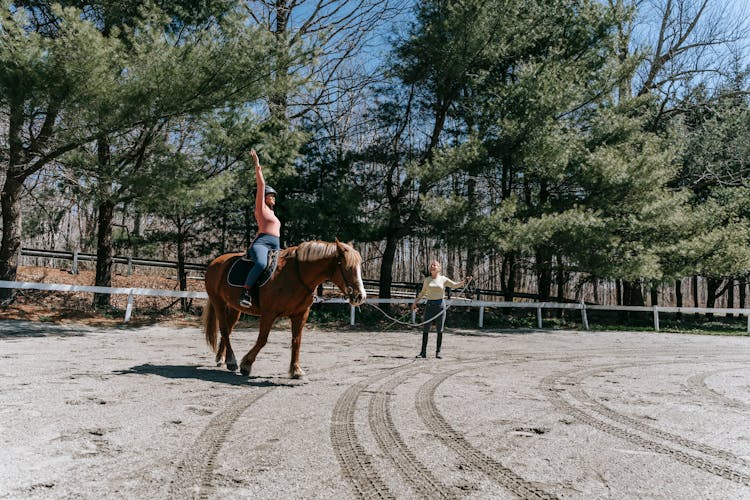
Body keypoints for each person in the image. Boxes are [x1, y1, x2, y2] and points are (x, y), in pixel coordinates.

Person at [239, 149, 280, 308]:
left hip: (276, 244)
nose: (273, 197)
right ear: (264, 197)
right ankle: (246, 291)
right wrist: (257, 164)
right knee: (262, 264)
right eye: (271, 195)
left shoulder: (273, 213)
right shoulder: (261, 208)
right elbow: (261, 184)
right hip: (262, 243)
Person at [411, 260, 471, 359]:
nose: (433, 266)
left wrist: (465, 281)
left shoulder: (443, 279)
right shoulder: (427, 280)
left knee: (440, 329)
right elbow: (422, 293)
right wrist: (415, 302)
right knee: (425, 328)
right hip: (429, 305)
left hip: (440, 306)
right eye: (432, 265)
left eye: (435, 265)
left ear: (439, 268)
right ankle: (423, 352)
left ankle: (438, 352)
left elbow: (455, 285)